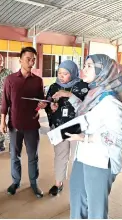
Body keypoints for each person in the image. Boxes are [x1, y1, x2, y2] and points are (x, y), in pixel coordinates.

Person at [52, 54, 122, 219]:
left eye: (89, 66)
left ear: (103, 71)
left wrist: (84, 138)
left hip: (100, 161)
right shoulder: (93, 94)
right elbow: (84, 112)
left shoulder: (111, 103)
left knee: (96, 211)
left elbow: (117, 137)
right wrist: (68, 96)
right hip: (83, 157)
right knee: (77, 200)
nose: (83, 69)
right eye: (84, 65)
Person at [1, 46, 44, 198]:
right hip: (15, 124)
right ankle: (16, 182)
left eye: (33, 59)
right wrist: (2, 122)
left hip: (32, 125)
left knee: (33, 156)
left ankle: (34, 183)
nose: (31, 62)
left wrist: (40, 108)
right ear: (20, 60)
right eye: (28, 59)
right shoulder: (11, 79)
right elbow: (5, 102)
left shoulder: (38, 81)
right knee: (15, 155)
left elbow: (40, 101)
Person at [43, 60, 88, 196]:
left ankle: (79, 185)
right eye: (59, 73)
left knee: (77, 157)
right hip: (59, 127)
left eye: (65, 73)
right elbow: (48, 105)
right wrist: (51, 108)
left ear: (73, 73)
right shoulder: (53, 87)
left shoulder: (83, 87)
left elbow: (86, 108)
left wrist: (69, 95)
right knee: (60, 156)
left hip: (77, 128)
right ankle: (58, 183)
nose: (61, 76)